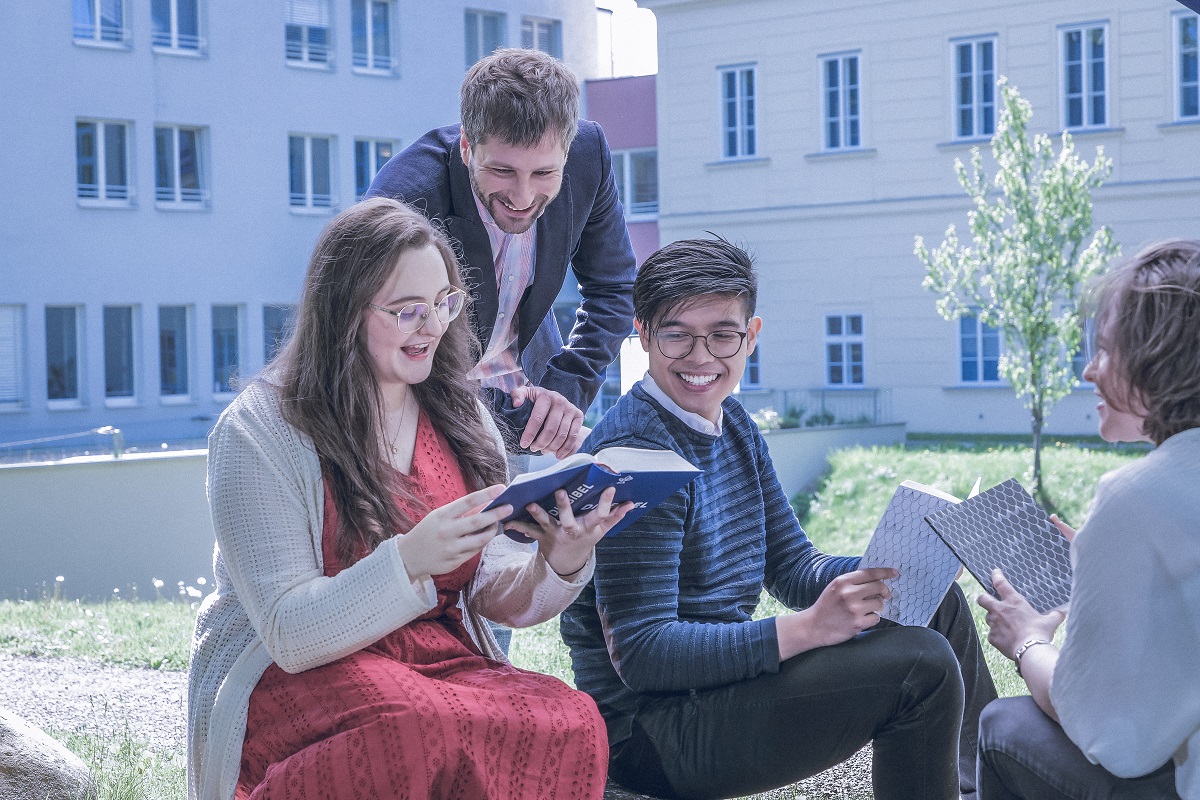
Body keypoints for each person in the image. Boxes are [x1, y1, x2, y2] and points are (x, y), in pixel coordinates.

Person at [187, 198, 631, 800]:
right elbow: (289, 633)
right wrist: (410, 560)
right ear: (344, 313)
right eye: (407, 311)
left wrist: (561, 561)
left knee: (572, 719)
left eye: (445, 304)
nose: (432, 327)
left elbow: (493, 589)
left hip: (434, 662)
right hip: (295, 674)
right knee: (416, 728)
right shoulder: (259, 431)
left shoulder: (459, 413)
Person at [562, 237, 998, 800]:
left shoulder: (733, 423)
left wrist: (903, 567)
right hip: (651, 734)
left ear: (752, 336)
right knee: (922, 666)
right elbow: (645, 655)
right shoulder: (634, 457)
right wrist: (809, 629)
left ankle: (987, 787)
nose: (701, 358)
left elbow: (792, 566)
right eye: (677, 335)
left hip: (719, 688)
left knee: (930, 599)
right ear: (643, 335)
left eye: (722, 334)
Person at [976, 239, 1200, 800]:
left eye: (1103, 349)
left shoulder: (1135, 496)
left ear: (1157, 359)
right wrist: (1109, 570)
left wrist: (1027, 641)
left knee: (1001, 724)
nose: (1088, 370)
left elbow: (1100, 729)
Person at [367, 48, 637, 460]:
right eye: (503, 171)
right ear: (466, 147)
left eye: (544, 173)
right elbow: (379, 349)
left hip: (530, 398)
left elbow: (614, 288)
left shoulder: (589, 155)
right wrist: (519, 420)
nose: (523, 196)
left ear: (566, 151)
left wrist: (566, 389)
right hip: (422, 415)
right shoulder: (403, 201)